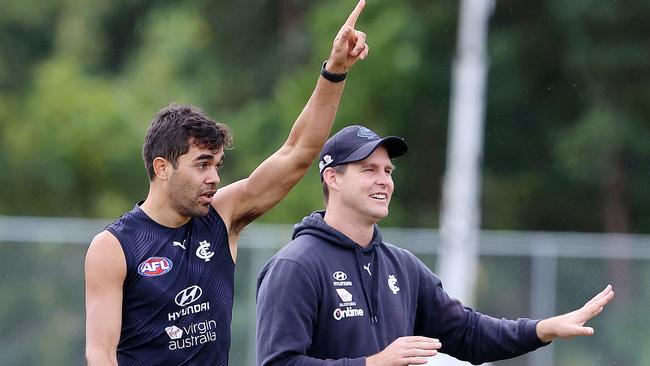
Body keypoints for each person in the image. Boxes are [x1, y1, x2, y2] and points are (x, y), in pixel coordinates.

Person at [84, 1, 370, 364]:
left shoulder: (222, 217)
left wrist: (335, 71)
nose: (214, 178)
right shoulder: (113, 247)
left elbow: (297, 153)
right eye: (202, 165)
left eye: (217, 165)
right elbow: (100, 354)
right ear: (162, 167)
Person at [256, 125, 615, 366]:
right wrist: (372, 363)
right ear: (332, 178)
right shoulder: (296, 266)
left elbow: (468, 333)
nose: (384, 180)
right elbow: (281, 362)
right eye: (369, 170)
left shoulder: (403, 267)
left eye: (388, 171)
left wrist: (541, 329)